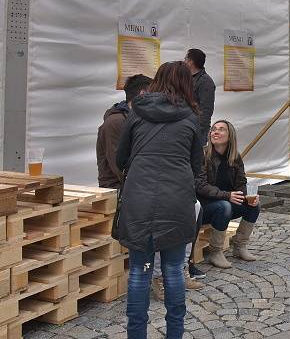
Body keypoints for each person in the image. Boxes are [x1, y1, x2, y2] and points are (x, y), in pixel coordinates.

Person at [116, 61, 204, 338]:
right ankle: (174, 334)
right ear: (186, 85)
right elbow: (196, 165)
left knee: (140, 271)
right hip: (176, 200)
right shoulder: (190, 118)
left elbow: (121, 159)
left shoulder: (136, 112)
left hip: (139, 198)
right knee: (174, 270)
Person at [193, 119, 260, 269]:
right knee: (224, 206)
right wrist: (227, 195)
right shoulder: (202, 154)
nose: (215, 132)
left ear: (230, 136)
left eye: (221, 129)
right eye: (214, 129)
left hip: (223, 202)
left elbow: (241, 183)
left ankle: (240, 246)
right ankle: (215, 251)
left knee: (253, 206)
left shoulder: (235, 156)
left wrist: (249, 196)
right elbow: (200, 185)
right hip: (203, 207)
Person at [97, 74, 151, 189]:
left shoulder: (137, 118)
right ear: (143, 94)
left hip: (135, 188)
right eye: (153, 94)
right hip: (117, 191)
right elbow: (119, 167)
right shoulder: (115, 122)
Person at [185, 48, 215, 138]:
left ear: (190, 62)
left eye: (185, 59)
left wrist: (198, 131)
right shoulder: (188, 78)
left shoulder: (205, 81)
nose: (184, 62)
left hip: (197, 131)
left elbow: (206, 110)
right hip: (187, 127)